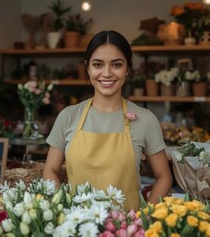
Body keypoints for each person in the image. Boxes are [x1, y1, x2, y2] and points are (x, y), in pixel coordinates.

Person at [43, 30, 172, 210]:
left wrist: (144, 218)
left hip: (125, 228)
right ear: (87, 68)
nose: (106, 73)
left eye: (116, 65)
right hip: (76, 226)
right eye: (98, 64)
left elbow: (164, 177)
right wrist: (62, 210)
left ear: (128, 69)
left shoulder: (145, 120)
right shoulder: (68, 116)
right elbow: (50, 171)